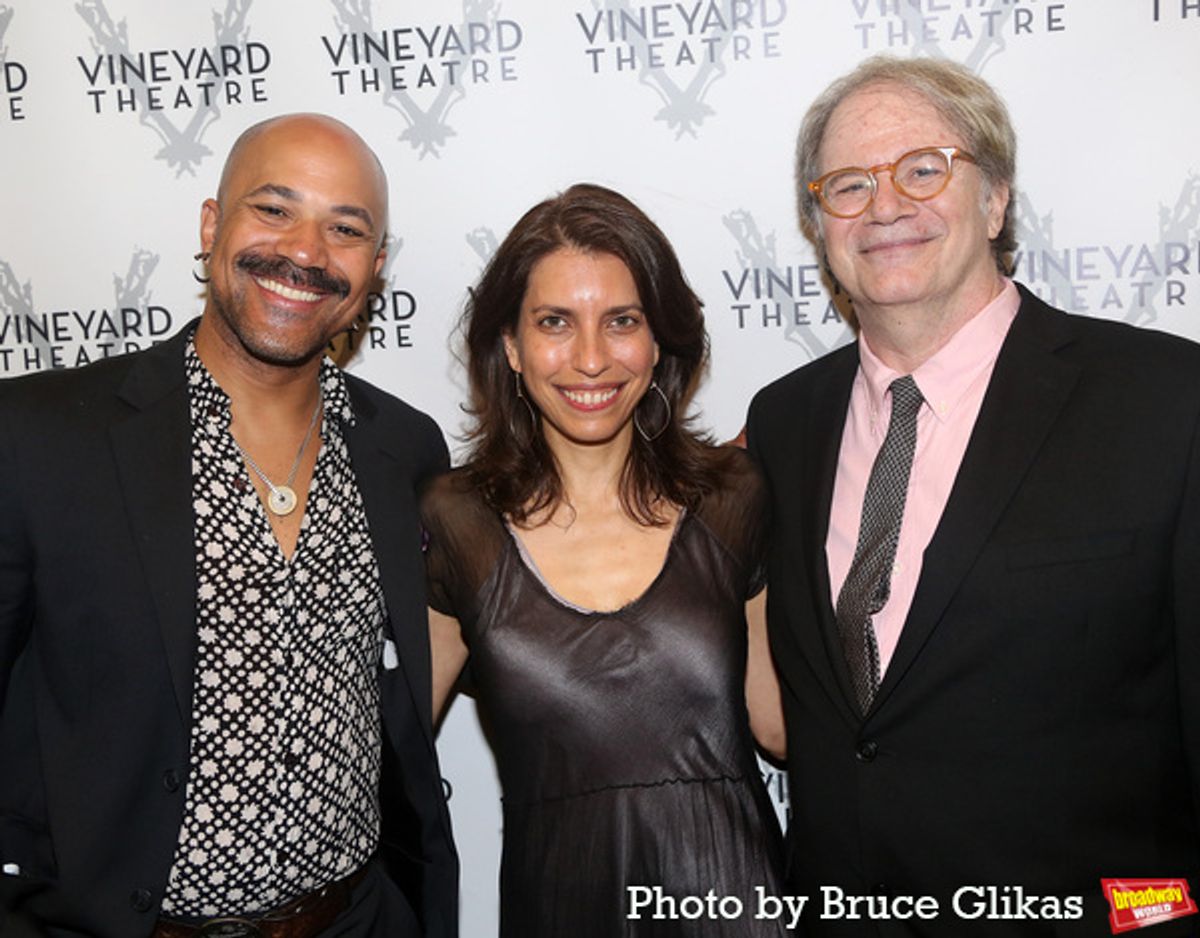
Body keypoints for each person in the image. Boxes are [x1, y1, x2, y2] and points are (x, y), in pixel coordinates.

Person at [746, 54, 1200, 935]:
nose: (884, 205)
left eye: (924, 169)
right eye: (846, 184)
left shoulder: (1165, 401)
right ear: (819, 227)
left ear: (995, 200)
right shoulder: (782, 423)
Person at [0, 114, 457, 938]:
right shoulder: (43, 437)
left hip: (355, 921)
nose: (307, 252)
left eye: (345, 229)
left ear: (375, 269)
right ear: (212, 226)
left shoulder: (405, 449)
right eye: (274, 210)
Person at [421, 183, 786, 936]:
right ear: (512, 347)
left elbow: (782, 725)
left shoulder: (734, 495)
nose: (591, 359)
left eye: (622, 321)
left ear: (658, 343)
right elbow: (384, 744)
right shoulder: (457, 523)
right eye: (555, 322)